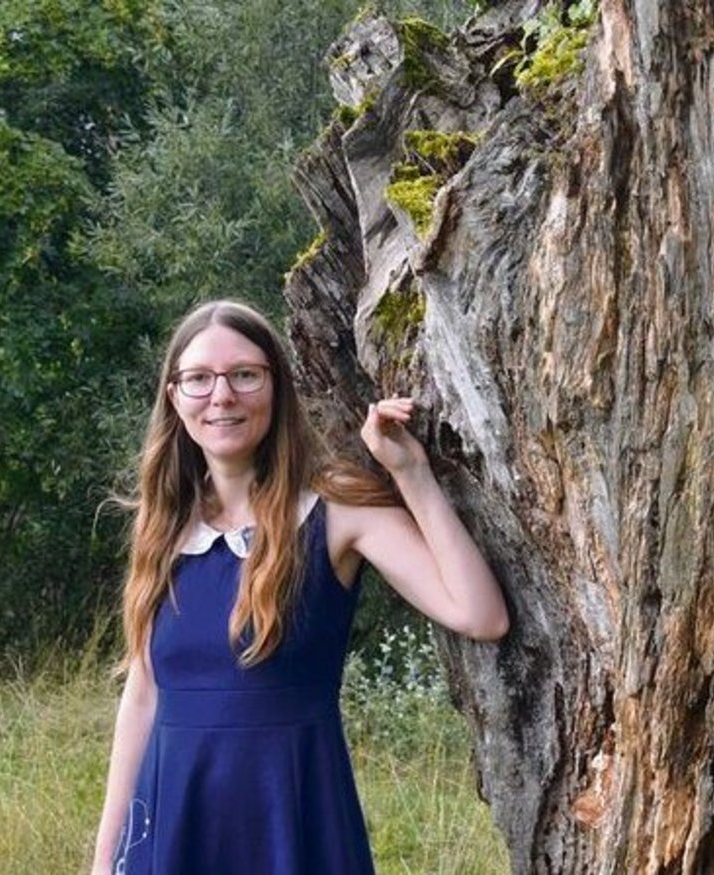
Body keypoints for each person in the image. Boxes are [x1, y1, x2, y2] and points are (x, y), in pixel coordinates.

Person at [89, 300, 508, 874]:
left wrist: (410, 473)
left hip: (294, 819)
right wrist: (105, 858)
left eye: (244, 374)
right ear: (174, 396)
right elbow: (141, 700)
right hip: (173, 826)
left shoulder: (334, 511)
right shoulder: (164, 526)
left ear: (276, 388)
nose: (222, 396)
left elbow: (481, 615)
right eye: (199, 379)